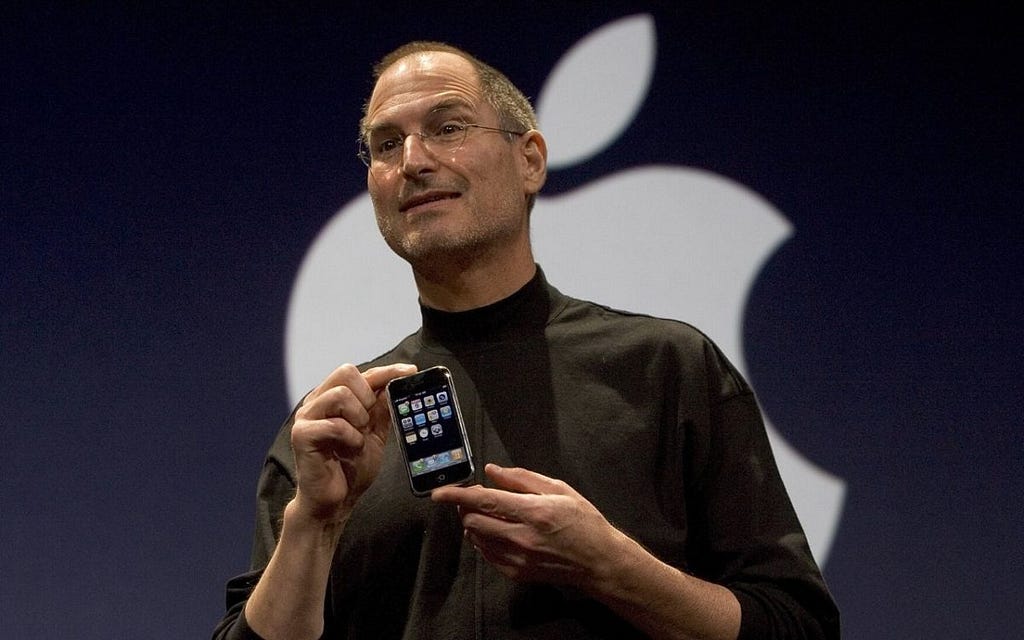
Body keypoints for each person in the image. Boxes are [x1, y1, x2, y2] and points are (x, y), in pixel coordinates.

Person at [213, 41, 840, 640]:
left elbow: (797, 625)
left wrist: (612, 567)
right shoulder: (337, 432)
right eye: (385, 144)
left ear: (530, 160)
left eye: (448, 127)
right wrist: (312, 525)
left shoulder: (666, 369)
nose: (413, 161)